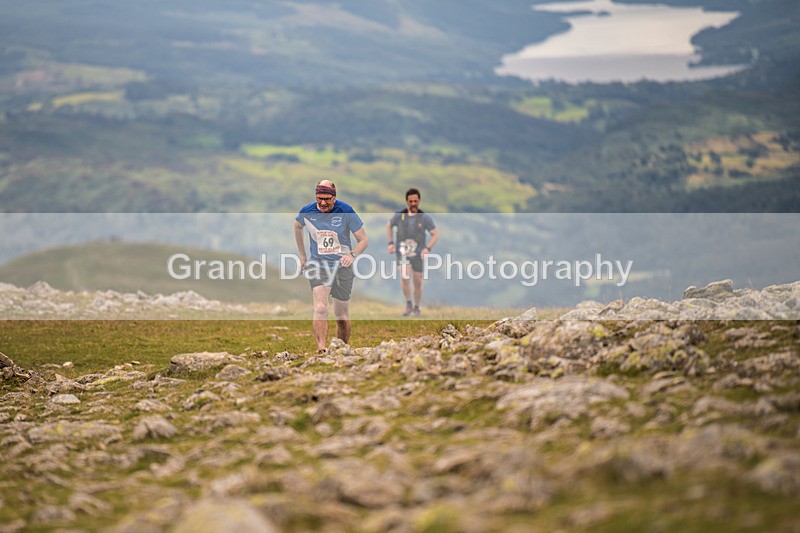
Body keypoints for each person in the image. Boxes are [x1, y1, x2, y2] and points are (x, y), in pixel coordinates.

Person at [294, 180, 368, 353]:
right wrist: (303, 255)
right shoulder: (307, 211)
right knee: (320, 307)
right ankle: (321, 350)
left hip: (342, 266)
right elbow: (297, 226)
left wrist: (352, 255)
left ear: (334, 198)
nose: (323, 203)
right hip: (318, 265)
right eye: (319, 198)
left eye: (327, 199)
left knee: (341, 316)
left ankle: (341, 350)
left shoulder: (346, 211)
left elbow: (363, 240)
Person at [386, 188, 438, 316]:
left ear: (419, 201)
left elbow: (435, 234)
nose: (413, 203)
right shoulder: (400, 215)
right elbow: (389, 225)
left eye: (415, 201)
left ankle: (416, 306)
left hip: (418, 254)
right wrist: (390, 243)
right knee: (404, 276)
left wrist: (428, 248)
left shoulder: (425, 218)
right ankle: (408, 303)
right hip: (402, 253)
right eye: (411, 201)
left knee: (418, 281)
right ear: (407, 201)